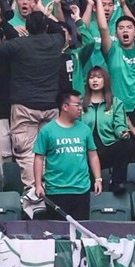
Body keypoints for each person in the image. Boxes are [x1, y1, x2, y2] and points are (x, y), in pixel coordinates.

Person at [34, 90, 100, 220]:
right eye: (77, 105)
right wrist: (37, 184)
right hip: (56, 190)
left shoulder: (85, 129)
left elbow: (93, 155)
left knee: (81, 230)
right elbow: (39, 158)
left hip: (81, 189)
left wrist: (98, 179)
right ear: (65, 106)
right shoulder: (47, 131)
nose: (80, 108)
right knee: (59, 233)